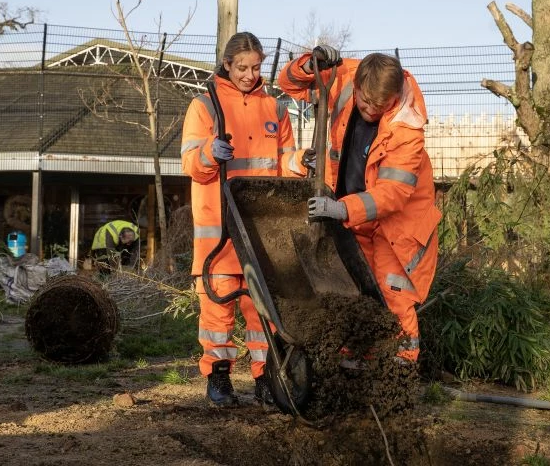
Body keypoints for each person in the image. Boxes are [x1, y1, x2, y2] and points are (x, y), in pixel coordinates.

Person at [279, 46, 441, 364]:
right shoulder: (344, 76)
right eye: (364, 101)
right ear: (358, 84)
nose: (369, 110)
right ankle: (352, 364)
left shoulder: (407, 128)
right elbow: (290, 84)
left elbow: (393, 193)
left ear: (394, 97)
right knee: (350, 289)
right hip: (354, 213)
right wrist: (310, 64)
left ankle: (399, 369)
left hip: (396, 224)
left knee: (391, 291)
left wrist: (342, 210)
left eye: (380, 106)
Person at [181, 31, 311, 407]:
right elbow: (191, 164)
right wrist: (209, 152)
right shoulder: (204, 106)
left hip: (259, 230)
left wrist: (301, 161)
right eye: (242, 67)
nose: (249, 75)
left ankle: (265, 378)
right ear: (227, 64)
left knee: (263, 312)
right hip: (219, 231)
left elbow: (282, 162)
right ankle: (218, 379)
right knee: (217, 310)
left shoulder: (276, 109)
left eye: (255, 68)